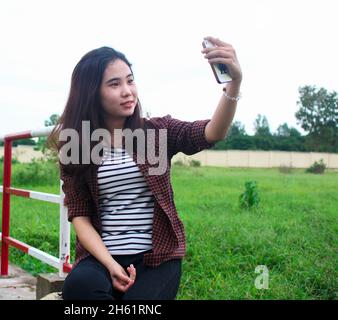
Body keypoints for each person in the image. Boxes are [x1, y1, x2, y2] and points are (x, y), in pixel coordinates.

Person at [48, 36, 242, 300]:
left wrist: (234, 84)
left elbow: (211, 132)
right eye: (114, 84)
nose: (127, 91)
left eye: (130, 80)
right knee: (79, 287)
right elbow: (80, 217)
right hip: (102, 256)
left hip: (157, 257)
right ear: (92, 92)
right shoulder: (78, 144)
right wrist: (111, 265)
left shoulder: (155, 132)